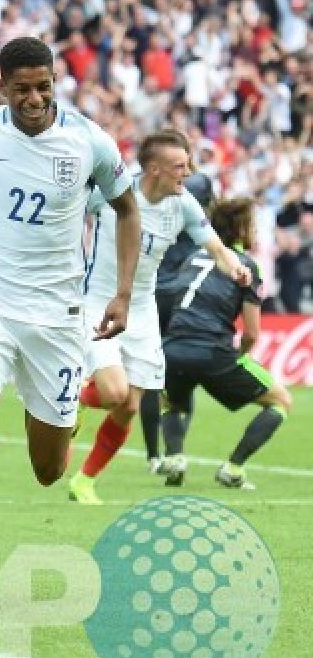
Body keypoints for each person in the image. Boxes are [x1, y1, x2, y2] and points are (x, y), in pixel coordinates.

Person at [0, 37, 141, 615]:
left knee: (47, 470)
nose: (35, 98)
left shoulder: (89, 139)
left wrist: (121, 293)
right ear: (0, 86)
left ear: (56, 80)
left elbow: (128, 209)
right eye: (22, 88)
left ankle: (66, 413)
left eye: (45, 86)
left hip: (59, 320)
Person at [67, 131, 249, 504]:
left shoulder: (182, 205)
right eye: (180, 166)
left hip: (142, 310)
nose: (188, 173)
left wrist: (234, 267)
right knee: (115, 393)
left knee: (130, 406)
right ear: (154, 170)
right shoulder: (111, 193)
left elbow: (214, 245)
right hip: (98, 302)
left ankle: (83, 481)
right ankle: (78, 397)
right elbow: (59, 217)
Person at [158, 197, 293, 489]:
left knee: (170, 401)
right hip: (212, 349)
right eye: (253, 224)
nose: (256, 230)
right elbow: (251, 334)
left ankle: (174, 457)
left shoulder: (192, 257)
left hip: (173, 346)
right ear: (241, 228)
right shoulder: (245, 265)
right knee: (281, 400)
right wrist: (240, 356)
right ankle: (233, 468)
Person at [137, 171, 214, 472]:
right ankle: (174, 450)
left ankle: (153, 455)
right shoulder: (198, 216)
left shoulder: (162, 209)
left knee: (150, 379)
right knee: (182, 378)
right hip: (184, 299)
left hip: (153, 296)